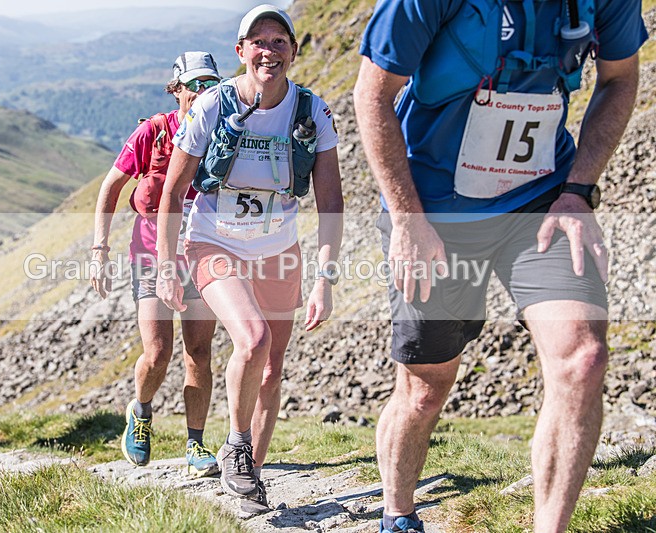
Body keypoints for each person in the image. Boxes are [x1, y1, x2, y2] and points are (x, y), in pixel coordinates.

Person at [354, 0, 648, 531]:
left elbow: (620, 77)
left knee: (582, 359)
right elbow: (373, 94)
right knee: (424, 389)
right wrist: (407, 220)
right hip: (434, 210)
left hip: (541, 201)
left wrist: (579, 192)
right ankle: (397, 514)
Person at [156, 4, 343, 511]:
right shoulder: (210, 105)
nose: (269, 50)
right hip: (213, 242)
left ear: (293, 52)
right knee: (253, 337)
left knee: (271, 368)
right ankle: (236, 447)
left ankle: (248, 480)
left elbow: (331, 202)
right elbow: (173, 193)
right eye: (258, 42)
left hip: (280, 249)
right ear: (241, 52)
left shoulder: (313, 111)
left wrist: (324, 280)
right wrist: (166, 263)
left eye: (279, 41)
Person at [91, 51, 222, 477]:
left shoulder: (225, 135)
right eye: (194, 85)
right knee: (159, 352)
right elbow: (111, 187)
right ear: (176, 89)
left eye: (210, 85)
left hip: (203, 255)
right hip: (150, 256)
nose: (202, 93)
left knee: (198, 353)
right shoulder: (155, 131)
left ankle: (196, 444)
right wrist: (100, 250)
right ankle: (141, 411)